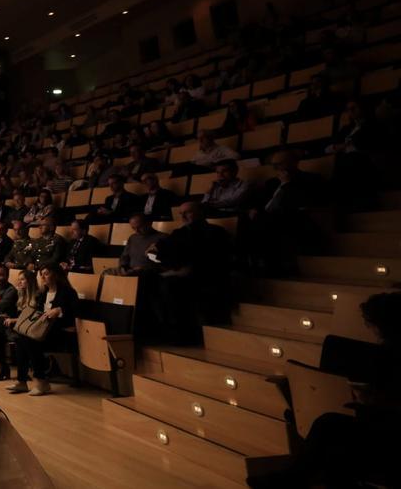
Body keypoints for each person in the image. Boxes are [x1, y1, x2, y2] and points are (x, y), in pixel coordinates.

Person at [249, 292, 401, 489]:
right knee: (302, 416)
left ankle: (292, 479)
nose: (370, 329)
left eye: (372, 324)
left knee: (328, 424)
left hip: (390, 430)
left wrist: (373, 401)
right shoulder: (383, 353)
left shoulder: (392, 356)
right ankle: (305, 477)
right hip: (378, 420)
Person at [149, 201, 234, 343]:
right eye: (181, 214)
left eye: (188, 212)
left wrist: (179, 270)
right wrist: (156, 249)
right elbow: (164, 249)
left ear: (200, 213)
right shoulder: (180, 232)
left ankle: (183, 335)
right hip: (178, 271)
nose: (183, 216)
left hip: (204, 275)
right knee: (147, 279)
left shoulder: (215, 232)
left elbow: (208, 259)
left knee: (169, 285)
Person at [7, 266, 79, 395]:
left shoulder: (68, 292)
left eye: (46, 274)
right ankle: (22, 382)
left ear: (56, 275)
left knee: (30, 340)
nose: (43, 277)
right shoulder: (43, 293)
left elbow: (77, 312)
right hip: (45, 331)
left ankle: (41, 381)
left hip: (62, 333)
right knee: (21, 338)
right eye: (41, 274)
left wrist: (59, 310)